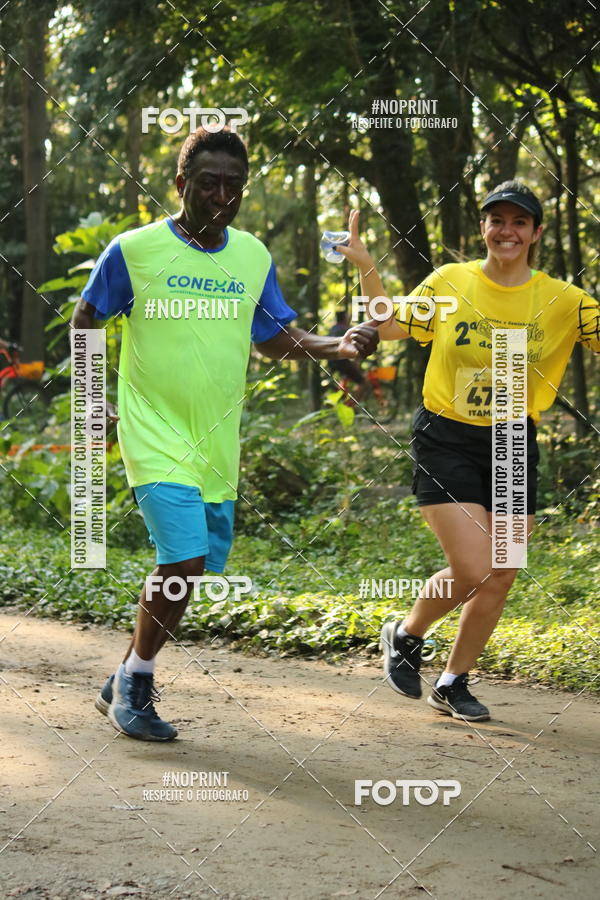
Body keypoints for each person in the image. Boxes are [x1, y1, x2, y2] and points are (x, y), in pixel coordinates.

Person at [72, 127, 379, 741]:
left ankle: (126, 671)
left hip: (216, 440)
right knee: (180, 556)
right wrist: (90, 401)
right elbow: (87, 318)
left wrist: (334, 343)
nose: (220, 196)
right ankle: (136, 685)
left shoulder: (252, 257)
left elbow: (271, 337)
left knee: (195, 566)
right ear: (181, 184)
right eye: (207, 183)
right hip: (151, 430)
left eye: (232, 186)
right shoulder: (134, 251)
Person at [338, 181, 600, 721]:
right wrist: (366, 262)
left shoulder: (564, 300)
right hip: (447, 434)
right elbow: (387, 325)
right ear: (483, 227)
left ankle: (453, 681)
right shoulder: (451, 282)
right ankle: (407, 634)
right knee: (476, 565)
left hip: (511, 439)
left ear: (536, 233)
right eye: (496, 220)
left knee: (501, 571)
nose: (507, 231)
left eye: (519, 222)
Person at [327, 310, 367, 396]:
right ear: (345, 318)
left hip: (330, 361)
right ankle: (351, 404)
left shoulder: (333, 329)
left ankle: (341, 399)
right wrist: (357, 360)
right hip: (341, 361)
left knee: (345, 379)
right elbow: (356, 346)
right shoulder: (346, 330)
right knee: (363, 382)